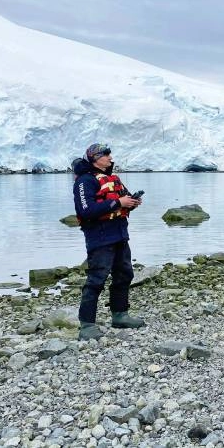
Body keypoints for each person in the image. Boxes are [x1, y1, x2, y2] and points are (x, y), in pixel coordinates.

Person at [72, 143, 145, 341]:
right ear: (95, 158)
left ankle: (119, 315)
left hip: (120, 234)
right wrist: (118, 203)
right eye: (106, 155)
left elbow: (122, 200)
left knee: (124, 274)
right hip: (100, 238)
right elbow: (86, 211)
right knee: (96, 280)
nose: (111, 158)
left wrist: (131, 202)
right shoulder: (84, 181)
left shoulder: (113, 179)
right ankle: (87, 325)